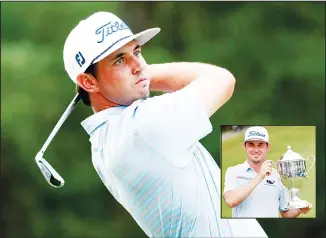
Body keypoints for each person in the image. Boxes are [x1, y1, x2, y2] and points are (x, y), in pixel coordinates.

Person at [63, 11, 268, 237]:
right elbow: (221, 79)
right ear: (89, 81)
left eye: (137, 52)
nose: (139, 65)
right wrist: (144, 76)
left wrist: (134, 75)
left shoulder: (108, 139)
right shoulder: (140, 127)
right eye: (120, 60)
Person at [223, 126, 312, 218]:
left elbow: (285, 213)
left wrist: (299, 209)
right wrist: (260, 176)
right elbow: (230, 200)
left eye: (260, 145)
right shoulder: (233, 171)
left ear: (267, 147)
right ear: (244, 146)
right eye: (251, 145)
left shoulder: (277, 174)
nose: (256, 150)